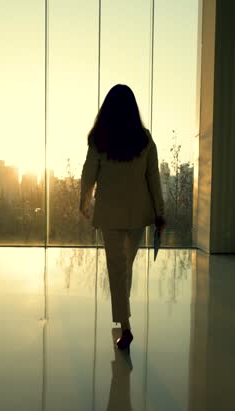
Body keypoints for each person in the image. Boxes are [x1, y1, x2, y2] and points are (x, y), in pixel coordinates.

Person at [79, 84, 165, 350]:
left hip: (110, 214)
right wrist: (160, 212)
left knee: (117, 269)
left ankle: (125, 324)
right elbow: (154, 178)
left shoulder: (99, 139)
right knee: (124, 268)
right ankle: (124, 321)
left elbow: (88, 172)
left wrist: (84, 200)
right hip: (137, 214)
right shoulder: (144, 139)